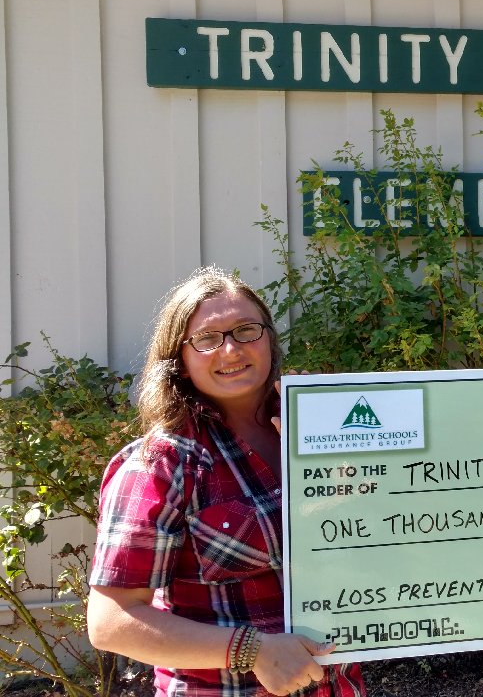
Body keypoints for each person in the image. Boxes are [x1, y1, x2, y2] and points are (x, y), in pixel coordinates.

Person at [87, 266, 365, 696]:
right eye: (207, 338)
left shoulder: (321, 432)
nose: (231, 349)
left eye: (246, 330)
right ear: (179, 361)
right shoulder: (162, 465)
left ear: (269, 339)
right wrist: (253, 651)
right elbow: (113, 622)